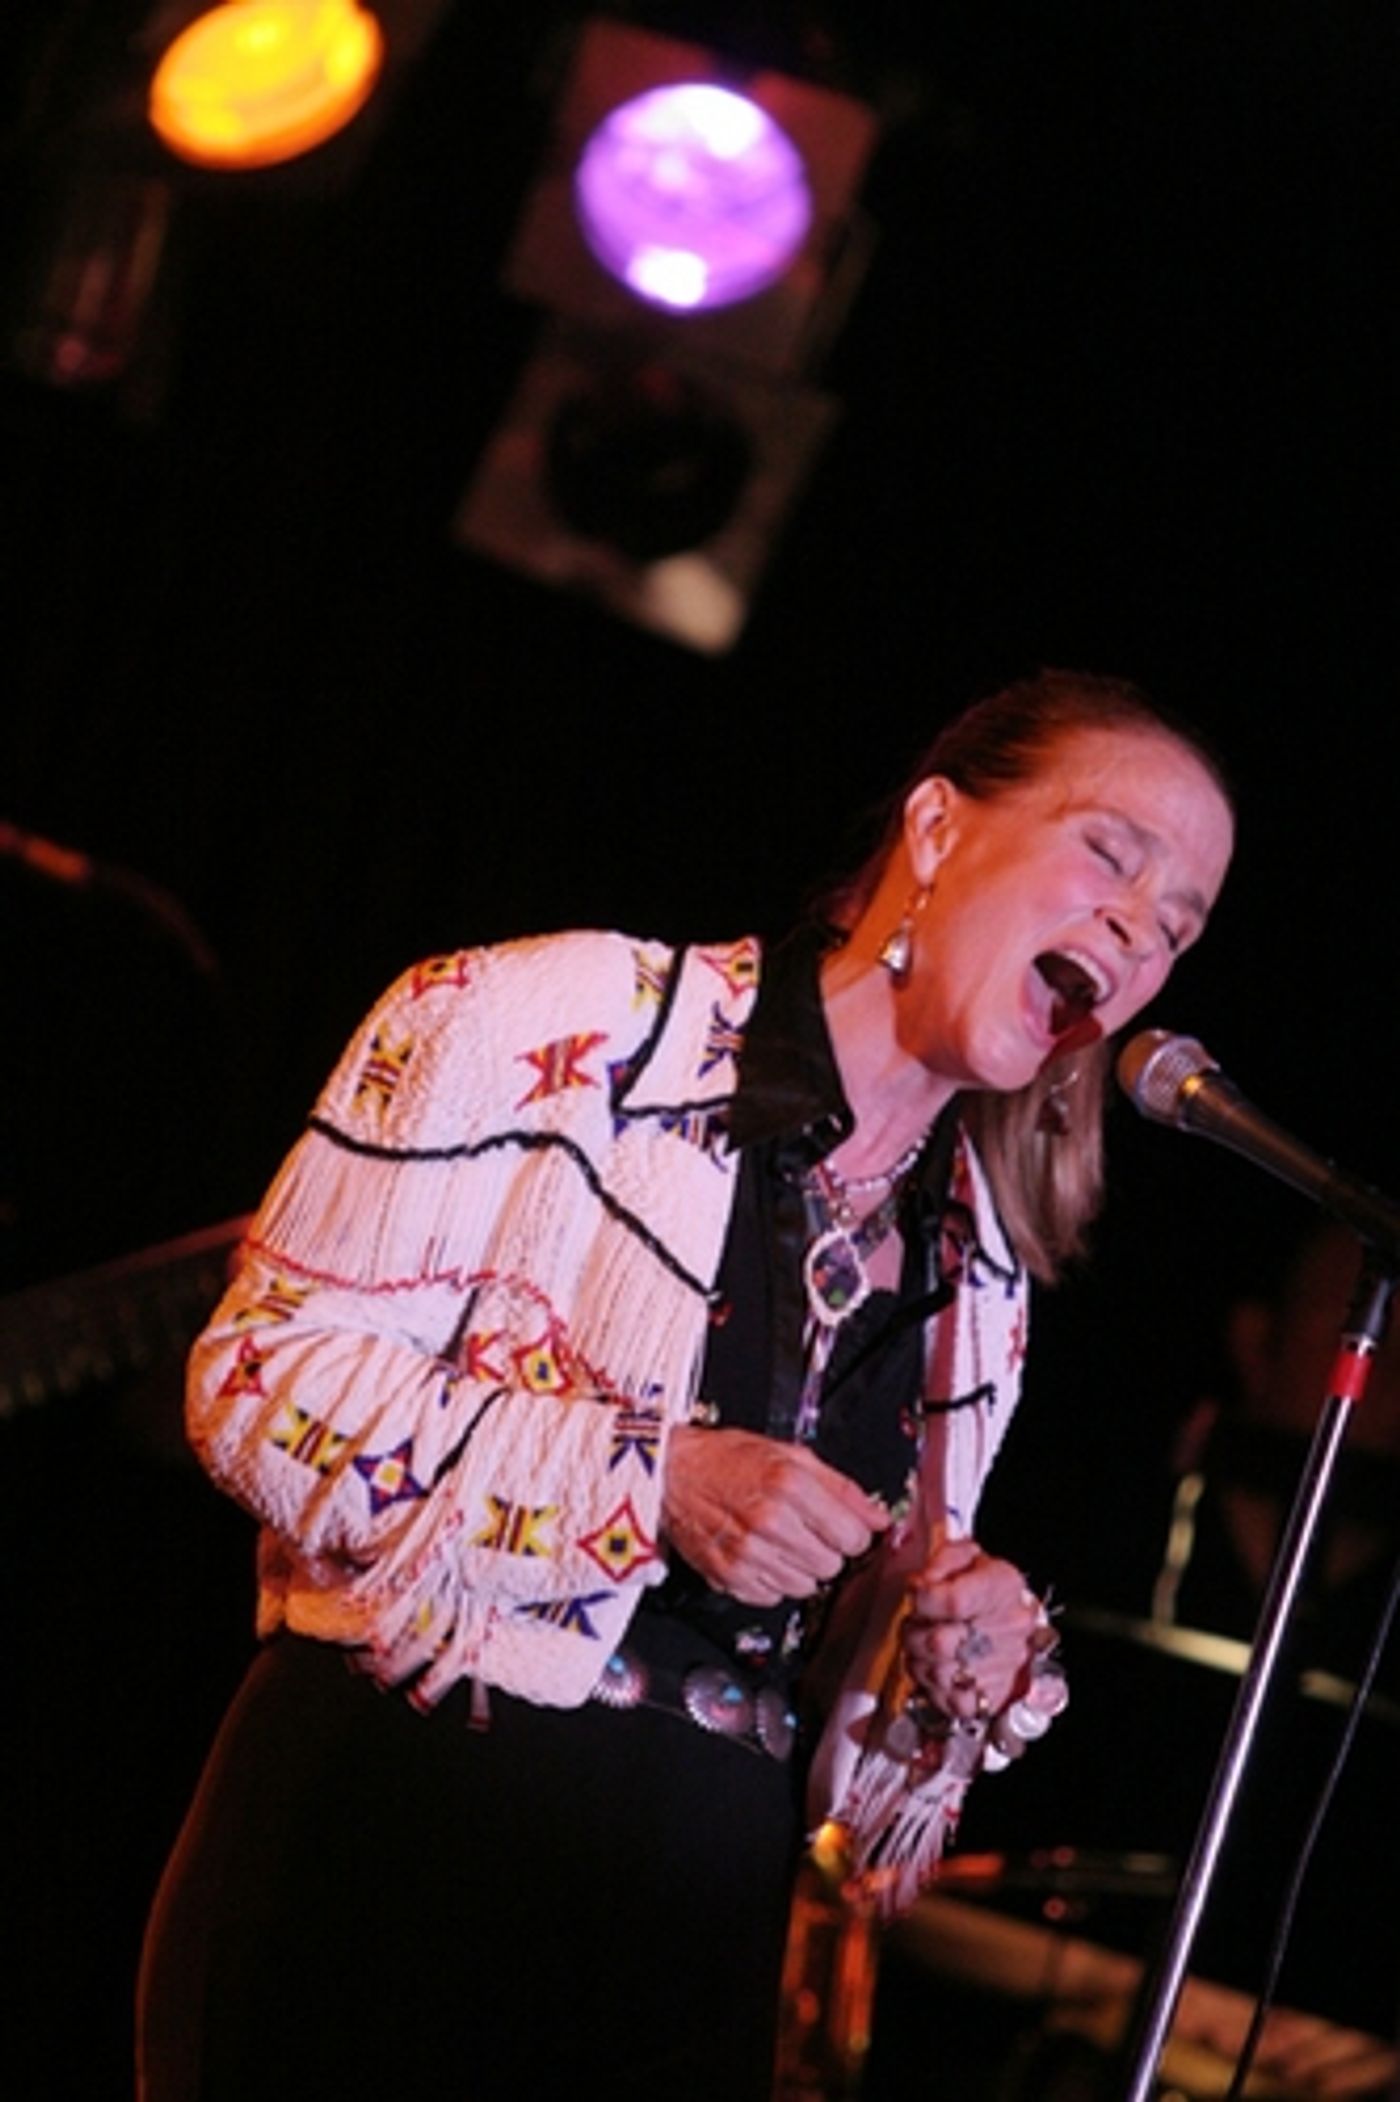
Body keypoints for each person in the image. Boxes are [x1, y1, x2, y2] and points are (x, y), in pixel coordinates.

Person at [136, 669, 1235, 2102]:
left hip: (689, 1938)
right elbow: (255, 1378)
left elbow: (848, 1758)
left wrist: (946, 1663)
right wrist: (647, 1481)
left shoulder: (981, 1273)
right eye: (1110, 854)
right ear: (937, 826)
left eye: (1177, 925)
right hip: (407, 1847)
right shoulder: (562, 1023)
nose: (1138, 929)